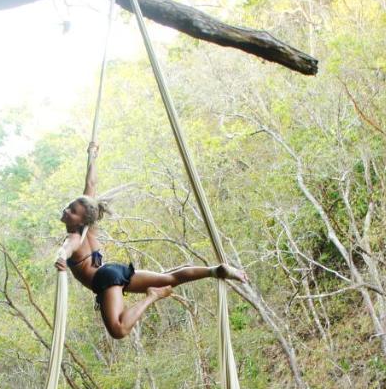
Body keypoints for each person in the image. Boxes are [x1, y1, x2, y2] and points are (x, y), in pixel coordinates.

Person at [53, 142, 248, 340]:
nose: (66, 210)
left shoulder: (75, 236)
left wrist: (61, 257)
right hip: (115, 271)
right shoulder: (89, 223)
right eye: (69, 207)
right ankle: (215, 270)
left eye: (72, 211)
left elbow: (67, 248)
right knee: (170, 278)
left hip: (104, 279)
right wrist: (93, 156)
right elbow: (91, 185)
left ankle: (152, 296)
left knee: (119, 330)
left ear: (82, 220)